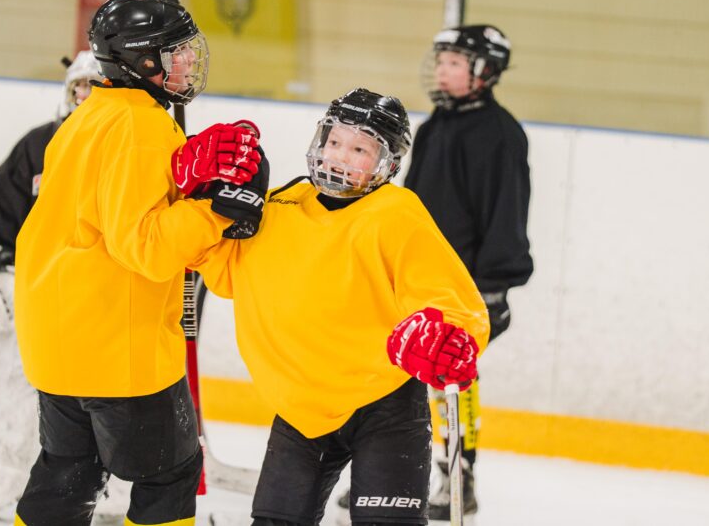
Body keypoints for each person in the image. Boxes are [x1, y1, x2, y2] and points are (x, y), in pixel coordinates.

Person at [11, 0, 264, 526]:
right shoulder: (143, 126)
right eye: (176, 53)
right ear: (142, 61)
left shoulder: (87, 117)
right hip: (117, 348)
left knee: (67, 472)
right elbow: (144, 247)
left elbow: (102, 215)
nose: (190, 61)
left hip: (56, 342)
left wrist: (184, 177)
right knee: (170, 475)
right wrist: (214, 210)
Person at [189, 88, 490, 526]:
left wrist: (449, 338)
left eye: (360, 148)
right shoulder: (280, 206)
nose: (340, 156)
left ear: (387, 161)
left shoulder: (396, 214)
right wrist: (201, 195)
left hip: (384, 402)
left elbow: (450, 299)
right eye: (334, 141)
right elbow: (216, 262)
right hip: (301, 409)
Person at [0, 51, 102, 516]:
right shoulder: (39, 146)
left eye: (96, 86)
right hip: (36, 294)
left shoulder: (123, 151)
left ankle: (102, 487)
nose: (86, 96)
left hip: (96, 299)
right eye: (79, 87)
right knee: (13, 379)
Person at [405, 24, 534, 519]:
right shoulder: (435, 125)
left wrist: (495, 284)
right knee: (396, 381)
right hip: (419, 278)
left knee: (450, 381)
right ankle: (398, 474)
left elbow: (507, 211)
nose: (442, 69)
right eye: (441, 60)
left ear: (485, 72)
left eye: (455, 62)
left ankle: (458, 477)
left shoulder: (500, 134)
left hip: (466, 286)